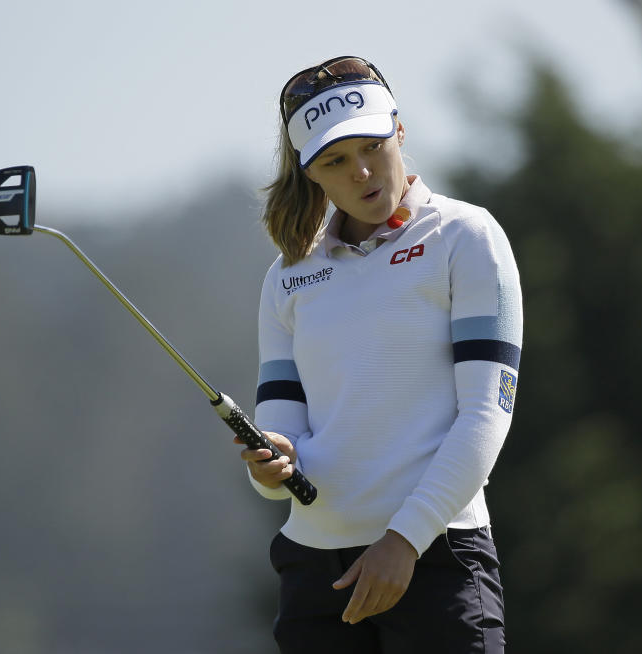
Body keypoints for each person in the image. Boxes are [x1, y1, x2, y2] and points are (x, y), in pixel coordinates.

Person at [233, 56, 523, 654]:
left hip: (437, 556)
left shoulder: (466, 236)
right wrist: (270, 469)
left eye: (372, 146)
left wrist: (404, 540)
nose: (362, 172)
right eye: (335, 162)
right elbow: (284, 435)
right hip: (315, 574)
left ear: (400, 131)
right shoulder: (287, 278)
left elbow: (487, 413)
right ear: (311, 174)